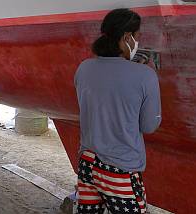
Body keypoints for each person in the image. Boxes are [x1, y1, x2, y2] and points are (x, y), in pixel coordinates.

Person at [74, 8, 161, 214]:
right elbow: (149, 126)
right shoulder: (145, 75)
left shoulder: (84, 68)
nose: (138, 42)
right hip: (120, 169)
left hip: (87, 162)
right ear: (127, 37)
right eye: (137, 36)